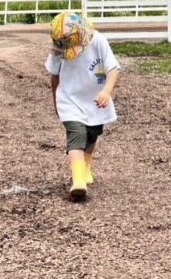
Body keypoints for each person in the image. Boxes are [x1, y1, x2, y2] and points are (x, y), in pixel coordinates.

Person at [45, 11, 120, 200]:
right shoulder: (59, 50)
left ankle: (86, 166)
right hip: (69, 100)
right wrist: (56, 102)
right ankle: (77, 181)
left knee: (93, 133)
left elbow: (112, 69)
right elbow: (54, 76)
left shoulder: (98, 41)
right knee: (76, 133)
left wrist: (106, 91)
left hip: (94, 99)